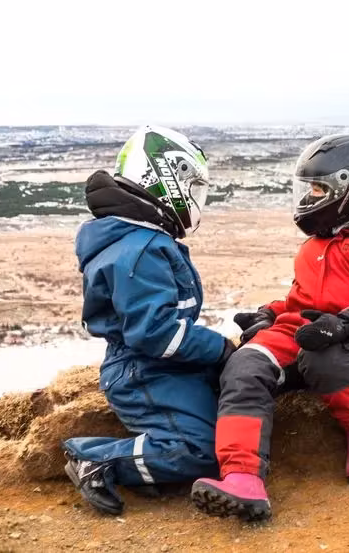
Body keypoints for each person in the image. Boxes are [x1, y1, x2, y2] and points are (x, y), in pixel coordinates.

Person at [191, 134, 349, 521]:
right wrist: (269, 314)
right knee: (244, 364)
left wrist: (347, 324)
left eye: (318, 189)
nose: (310, 198)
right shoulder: (314, 246)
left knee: (321, 356)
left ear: (348, 188)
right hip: (303, 330)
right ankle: (242, 477)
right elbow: (301, 301)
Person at [62, 125, 236, 515]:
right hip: (145, 370)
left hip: (160, 365)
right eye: (192, 188)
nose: (196, 200)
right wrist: (220, 348)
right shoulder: (140, 249)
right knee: (202, 450)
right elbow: (154, 332)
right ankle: (99, 459)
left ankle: (155, 468)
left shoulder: (142, 239)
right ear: (165, 181)